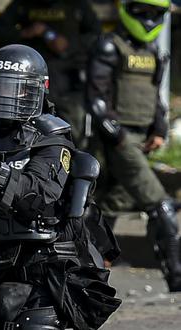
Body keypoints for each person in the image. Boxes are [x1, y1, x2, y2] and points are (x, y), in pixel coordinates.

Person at [0, 45, 120, 329]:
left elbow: (40, 199)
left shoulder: (51, 138)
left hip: (43, 266)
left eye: (15, 89)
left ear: (36, 91)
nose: (5, 95)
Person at [85, 0, 181, 291]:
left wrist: (160, 129)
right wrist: (120, 138)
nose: (149, 20)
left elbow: (155, 100)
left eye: (156, 14)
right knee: (160, 204)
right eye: (143, 12)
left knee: (107, 206)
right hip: (119, 140)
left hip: (140, 140)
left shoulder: (153, 52)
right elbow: (97, 100)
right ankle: (176, 277)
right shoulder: (110, 46)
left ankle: (89, 270)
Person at [0, 0, 101, 147]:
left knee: (74, 134)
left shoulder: (77, 5)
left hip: (68, 82)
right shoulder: (23, 5)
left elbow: (96, 36)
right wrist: (26, 33)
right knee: (25, 132)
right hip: (30, 82)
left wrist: (69, 44)